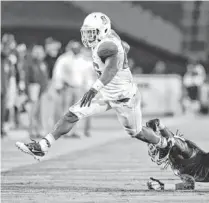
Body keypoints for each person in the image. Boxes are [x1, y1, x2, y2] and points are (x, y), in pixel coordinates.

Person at [15, 12, 169, 161]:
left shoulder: (106, 46)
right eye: (87, 32)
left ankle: (163, 144)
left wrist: (95, 87)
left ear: (104, 31)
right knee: (73, 113)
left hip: (124, 97)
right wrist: (123, 51)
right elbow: (125, 47)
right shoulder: (109, 39)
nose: (88, 37)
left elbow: (111, 70)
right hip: (106, 93)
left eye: (92, 33)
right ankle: (43, 146)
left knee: (136, 132)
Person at [146, 118, 209, 190]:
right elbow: (189, 185)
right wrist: (162, 186)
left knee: (175, 144)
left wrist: (163, 186)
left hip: (196, 161)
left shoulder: (188, 154)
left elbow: (177, 143)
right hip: (192, 162)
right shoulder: (180, 166)